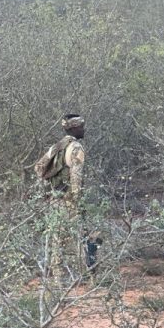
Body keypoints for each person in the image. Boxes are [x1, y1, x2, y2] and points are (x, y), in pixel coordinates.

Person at [39, 113, 99, 276]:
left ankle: (57, 277)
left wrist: (49, 190)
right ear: (75, 128)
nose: (83, 129)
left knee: (56, 238)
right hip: (69, 200)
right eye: (81, 126)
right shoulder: (76, 148)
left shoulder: (57, 146)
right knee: (80, 236)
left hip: (54, 199)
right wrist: (77, 200)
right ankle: (84, 274)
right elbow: (76, 176)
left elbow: (39, 168)